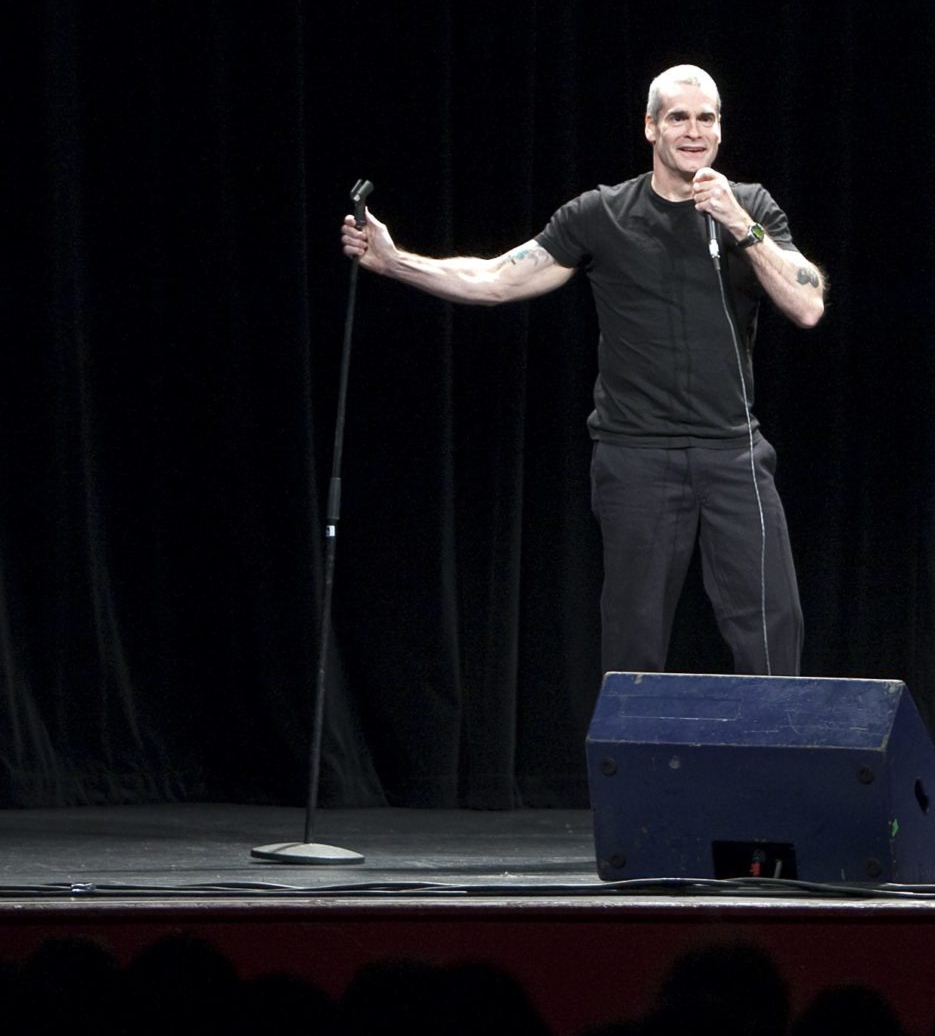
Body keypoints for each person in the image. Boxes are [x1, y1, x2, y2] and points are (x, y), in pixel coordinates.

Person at [339, 64, 825, 678]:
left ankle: (773, 774)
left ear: (721, 130)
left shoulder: (751, 208)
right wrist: (395, 262)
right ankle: (638, 776)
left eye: (707, 118)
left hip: (734, 455)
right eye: (678, 117)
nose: (694, 131)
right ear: (651, 127)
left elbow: (808, 304)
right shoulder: (602, 214)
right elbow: (495, 279)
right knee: (634, 646)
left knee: (773, 632)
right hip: (637, 460)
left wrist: (739, 224)